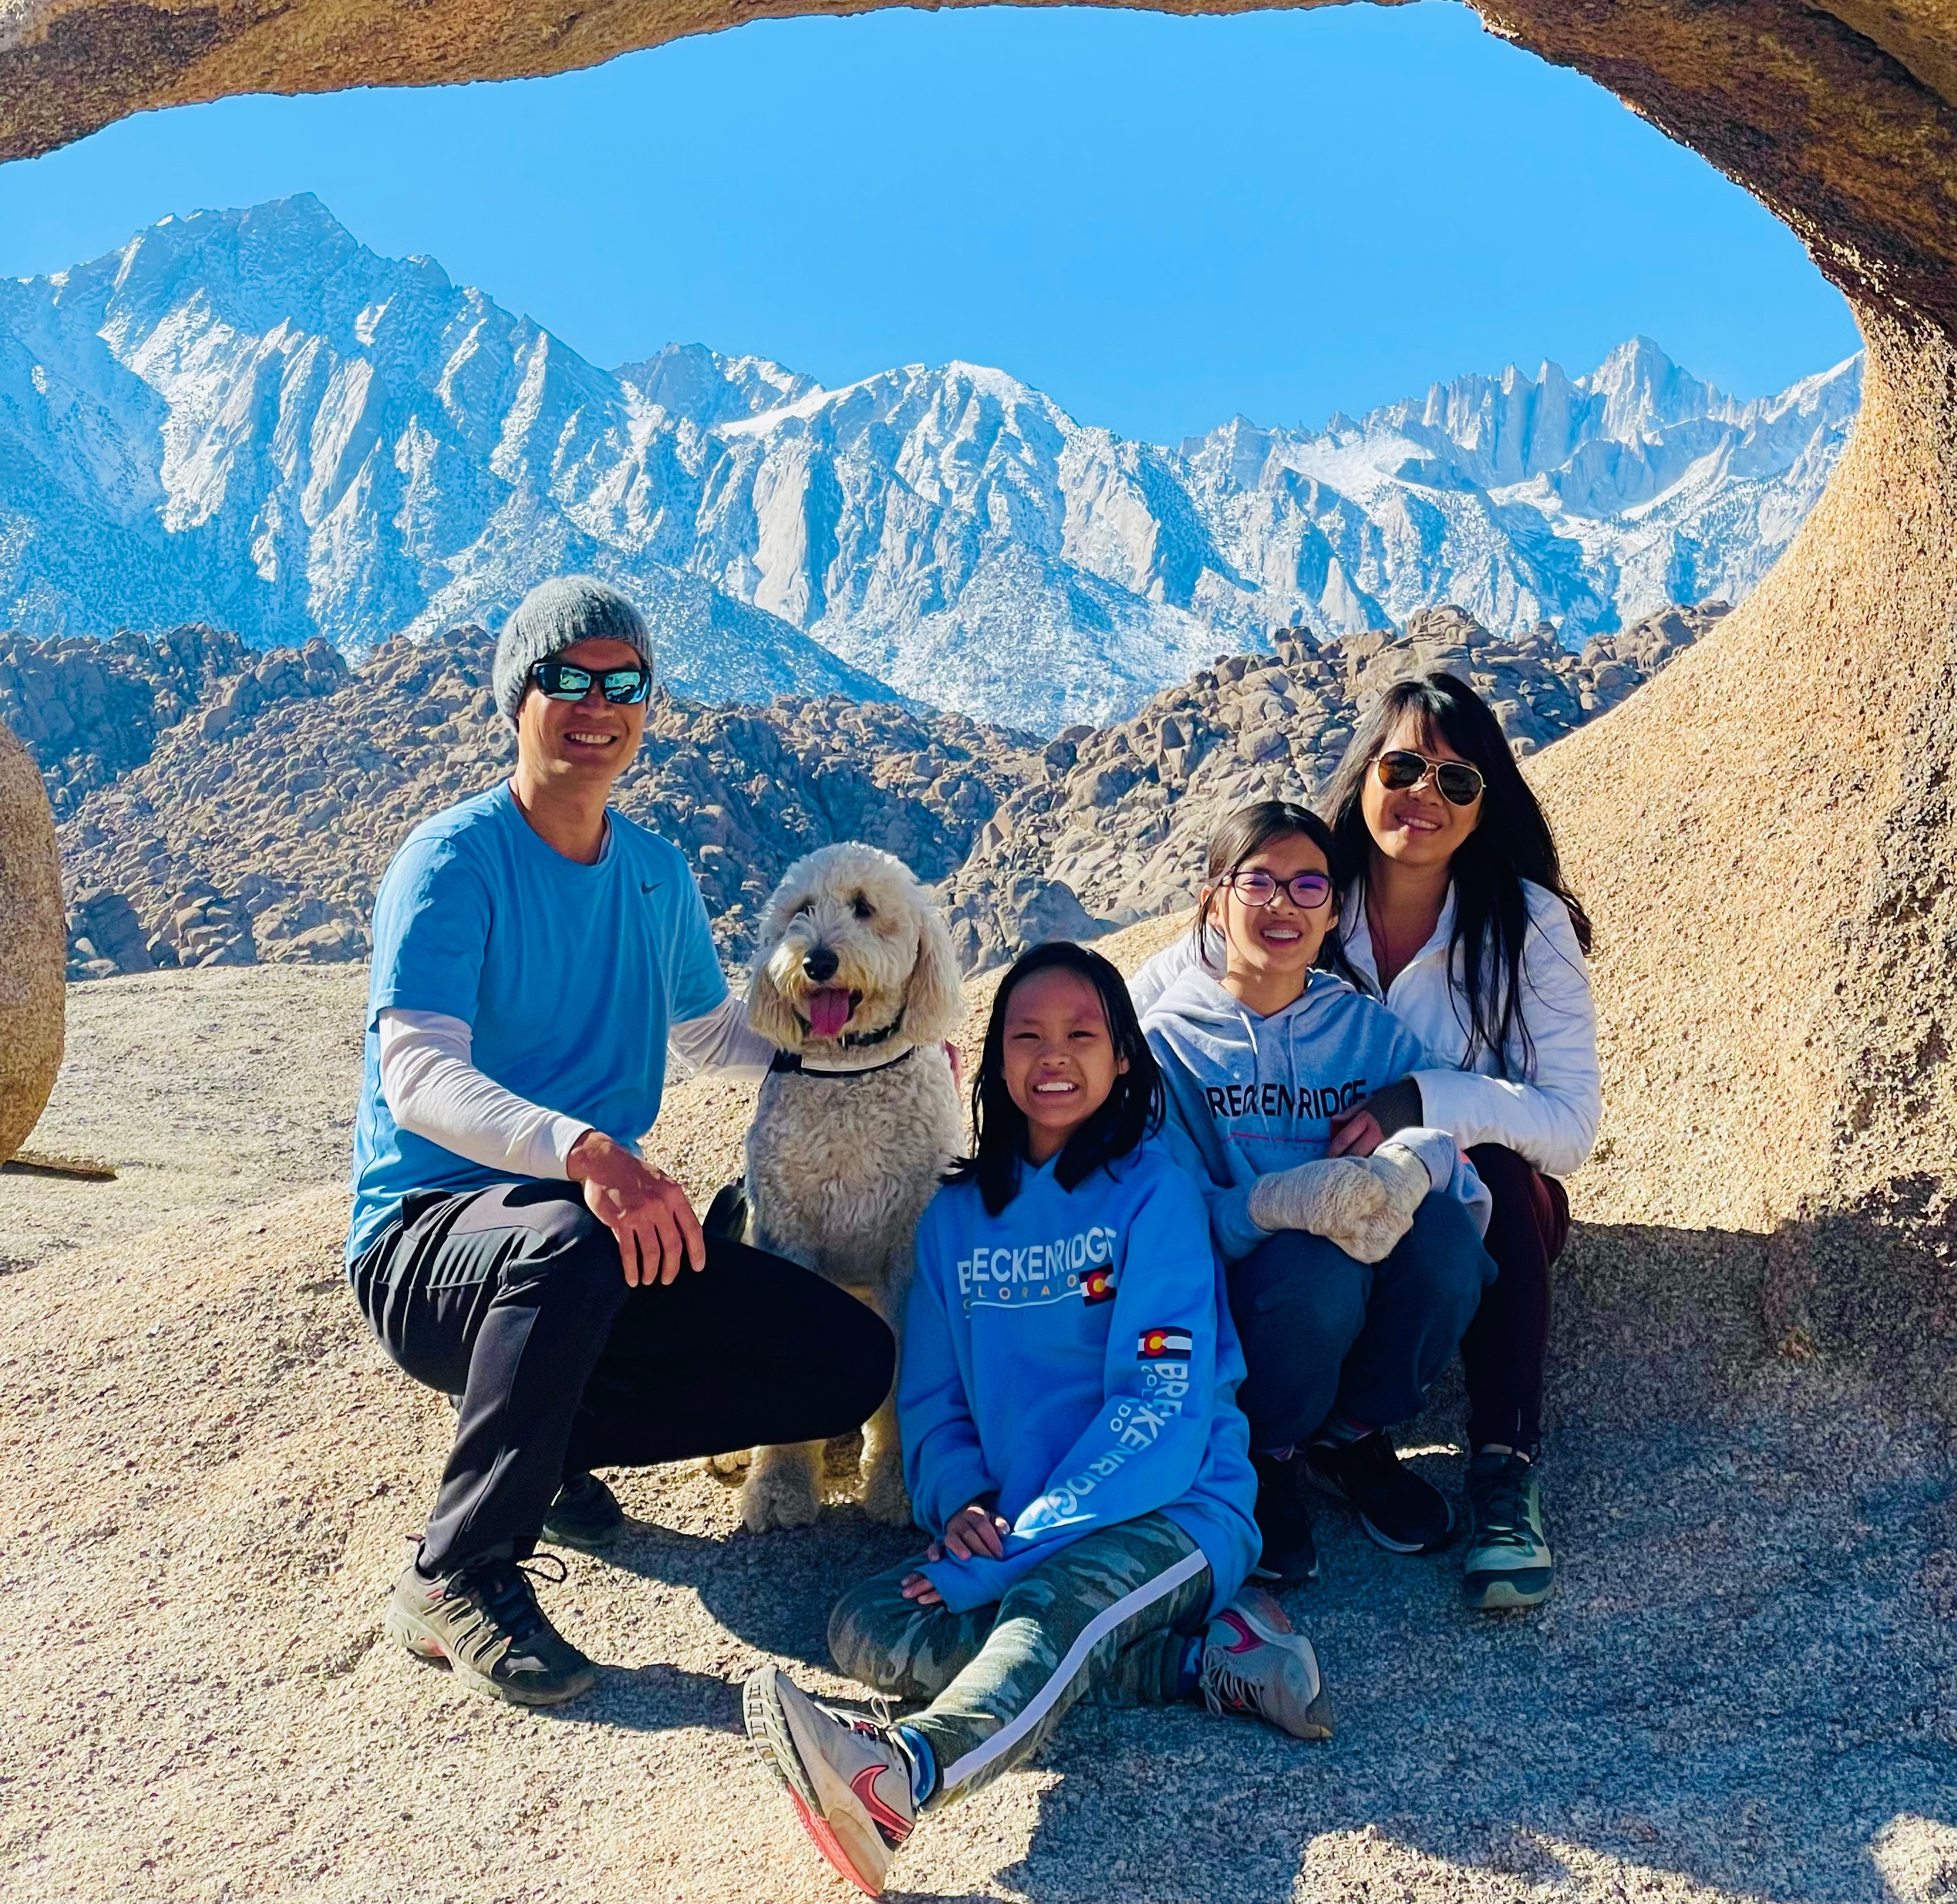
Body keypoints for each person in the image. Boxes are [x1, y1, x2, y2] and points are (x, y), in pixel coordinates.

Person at [347, 574, 894, 1709]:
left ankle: (543, 1448)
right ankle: (457, 1571)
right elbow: (417, 1075)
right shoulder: (453, 863)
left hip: (582, 1236)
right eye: (568, 679)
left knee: (845, 1362)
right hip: (434, 1239)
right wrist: (585, 1151)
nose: (598, 704)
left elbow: (708, 1031)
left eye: (625, 684)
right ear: (519, 697)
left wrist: (865, 1046)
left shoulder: (652, 872)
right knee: (578, 1236)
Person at [744, 941, 1326, 1899]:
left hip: (1174, 1510)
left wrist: (1026, 1541)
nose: (1053, 1056)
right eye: (1027, 1036)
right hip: (1013, 1521)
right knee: (866, 1622)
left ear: (1123, 1058)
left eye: (1081, 1035)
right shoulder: (954, 1220)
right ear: (992, 1061)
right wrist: (966, 1500)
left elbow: (1162, 1406)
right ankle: (1200, 1663)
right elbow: (933, 1401)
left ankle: (899, 1780)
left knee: (1045, 1609)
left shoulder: (1154, 1196)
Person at [1134, 678, 1599, 1613]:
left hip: (1443, 1207)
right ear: (1366, 775)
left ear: (1484, 805)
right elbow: (1157, 1014)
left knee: (1492, 1182)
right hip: (1278, 1236)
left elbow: (1571, 1123)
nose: (1425, 794)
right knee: (1312, 1268)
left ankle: (1498, 1471)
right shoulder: (1300, 887)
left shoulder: (1523, 922)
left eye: (1457, 780)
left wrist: (1418, 1099)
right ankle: (1275, 1449)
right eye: (1403, 767)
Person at [1140, 800, 1495, 1592]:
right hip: (1251, 1321)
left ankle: (1348, 1438)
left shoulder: (1368, 1032)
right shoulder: (1166, 1046)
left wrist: (1413, 1160)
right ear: (1213, 900)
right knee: (1317, 1269)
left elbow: (1461, 1171)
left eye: (1308, 887)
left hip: (1357, 1307)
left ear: (1334, 911)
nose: (1282, 906)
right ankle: (1262, 1455)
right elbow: (1165, 1220)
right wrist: (1271, 1205)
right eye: (1257, 882)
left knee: (1444, 1242)